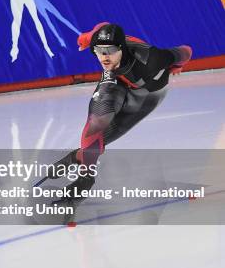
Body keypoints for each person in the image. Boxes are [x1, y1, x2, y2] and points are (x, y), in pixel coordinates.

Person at [49, 22, 192, 197]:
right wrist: (85, 39)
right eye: (99, 51)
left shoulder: (151, 59)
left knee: (103, 137)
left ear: (122, 48)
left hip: (147, 93)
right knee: (98, 121)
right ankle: (86, 176)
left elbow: (185, 51)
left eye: (110, 51)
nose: (104, 57)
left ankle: (78, 157)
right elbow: (102, 27)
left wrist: (177, 65)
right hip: (116, 79)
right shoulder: (96, 41)